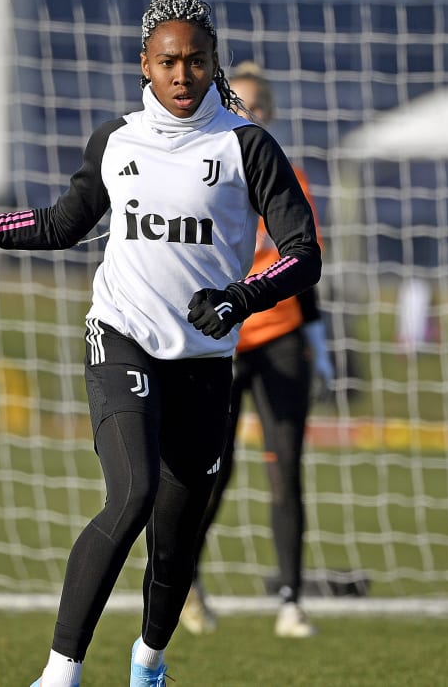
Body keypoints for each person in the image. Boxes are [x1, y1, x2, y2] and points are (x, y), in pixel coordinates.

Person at [0, 0, 321, 687]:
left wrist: (243, 298)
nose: (183, 75)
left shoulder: (247, 148)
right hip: (121, 337)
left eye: (197, 61)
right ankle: (60, 672)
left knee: (176, 541)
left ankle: (149, 664)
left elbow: (305, 254)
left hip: (205, 363)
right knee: (132, 494)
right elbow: (59, 226)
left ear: (214, 64)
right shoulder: (116, 141)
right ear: (143, 65)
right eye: (168, 61)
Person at [178, 61, 333, 639]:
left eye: (258, 107)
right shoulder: (204, 173)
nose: (250, 116)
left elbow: (304, 262)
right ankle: (183, 578)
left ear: (270, 114)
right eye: (238, 105)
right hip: (221, 337)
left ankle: (292, 600)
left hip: (282, 337)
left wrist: (319, 341)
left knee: (286, 468)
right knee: (213, 469)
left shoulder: (290, 177)